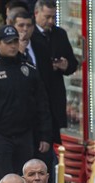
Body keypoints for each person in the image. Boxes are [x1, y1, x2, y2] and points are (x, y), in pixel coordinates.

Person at [0, 25, 51, 183]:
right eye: (8, 42)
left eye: (14, 41)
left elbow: (42, 104)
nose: (13, 46)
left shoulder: (29, 69)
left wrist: (45, 135)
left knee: (25, 182)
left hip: (25, 136)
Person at [30, 0, 77, 151]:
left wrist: (66, 65)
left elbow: (73, 64)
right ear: (36, 14)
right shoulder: (31, 35)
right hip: (36, 97)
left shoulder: (59, 34)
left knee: (55, 144)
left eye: (53, 17)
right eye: (47, 17)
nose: (50, 21)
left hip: (56, 97)